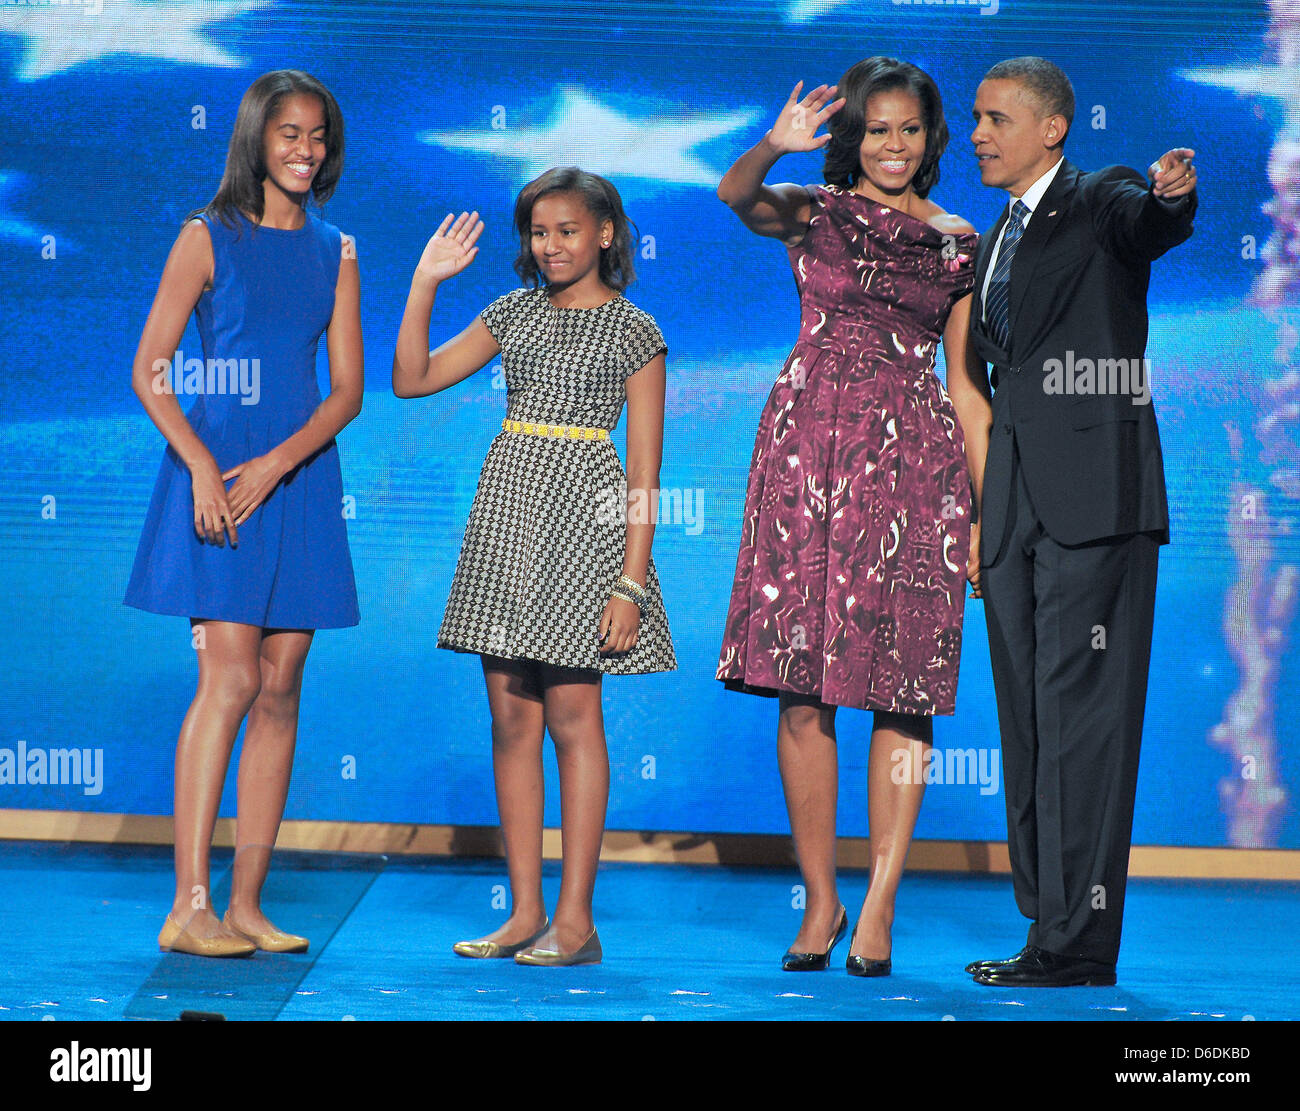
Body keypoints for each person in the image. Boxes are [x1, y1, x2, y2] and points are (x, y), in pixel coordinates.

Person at [715, 59, 991, 976]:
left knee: (901, 688)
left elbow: (967, 387)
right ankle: (820, 899)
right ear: (852, 139)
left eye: (909, 129)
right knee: (803, 687)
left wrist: (981, 515)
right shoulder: (818, 210)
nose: (892, 146)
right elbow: (735, 195)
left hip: (916, 465)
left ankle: (878, 901)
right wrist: (772, 143)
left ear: (931, 138)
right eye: (875, 129)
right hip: (806, 456)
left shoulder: (960, 244)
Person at [393, 167, 675, 967]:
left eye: (568, 231)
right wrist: (425, 281)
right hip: (508, 521)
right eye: (539, 232)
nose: (551, 246)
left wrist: (630, 580)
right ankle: (523, 912)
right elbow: (409, 379)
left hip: (586, 531)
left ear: (606, 235)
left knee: (573, 721)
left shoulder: (634, 330)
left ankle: (576, 921)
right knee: (511, 721)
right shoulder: (511, 313)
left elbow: (646, 474)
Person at [964, 56, 1196, 987]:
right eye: (976, 118)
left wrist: (1170, 196)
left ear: (1052, 128)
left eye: (995, 118)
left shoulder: (1102, 196)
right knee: (1028, 716)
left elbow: (1149, 224)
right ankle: (1046, 920)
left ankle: (1077, 941)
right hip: (1015, 504)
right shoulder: (996, 237)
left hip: (1095, 499)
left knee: (1085, 723)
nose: (977, 133)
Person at [125, 70, 363, 957]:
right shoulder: (205, 235)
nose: (305, 150)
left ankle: (248, 903)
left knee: (279, 686)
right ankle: (189, 905)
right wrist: (203, 468)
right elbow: (151, 366)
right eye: (290, 133)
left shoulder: (337, 249)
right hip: (216, 476)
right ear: (257, 139)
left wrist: (275, 464)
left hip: (296, 476)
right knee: (226, 679)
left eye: (319, 136)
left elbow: (346, 393)